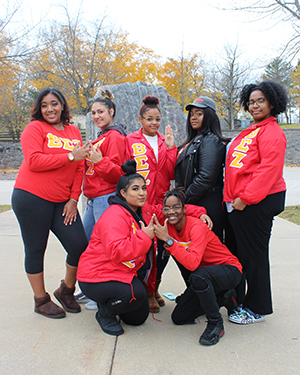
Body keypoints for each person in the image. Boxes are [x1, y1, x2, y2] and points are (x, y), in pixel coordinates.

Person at [77, 160, 209, 336]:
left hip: (121, 273)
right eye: (135, 189)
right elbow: (117, 252)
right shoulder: (114, 215)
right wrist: (144, 236)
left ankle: (112, 302)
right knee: (135, 294)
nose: (142, 193)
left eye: (144, 188)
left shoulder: (144, 210)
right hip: (97, 275)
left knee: (138, 318)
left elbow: (169, 210)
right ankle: (105, 313)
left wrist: (199, 212)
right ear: (123, 193)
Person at [11, 88, 89, 319]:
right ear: (39, 109)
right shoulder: (34, 128)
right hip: (31, 197)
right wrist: (70, 155)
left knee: (78, 245)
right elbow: (34, 161)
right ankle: (41, 300)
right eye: (44, 105)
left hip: (62, 201)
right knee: (36, 248)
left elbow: (79, 167)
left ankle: (66, 290)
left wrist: (74, 198)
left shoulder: (74, 130)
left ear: (63, 106)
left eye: (54, 104)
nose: (50, 109)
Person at [223, 81, 288, 324]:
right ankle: (240, 301)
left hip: (255, 202)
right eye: (251, 102)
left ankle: (258, 308)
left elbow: (268, 170)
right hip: (240, 202)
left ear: (272, 102)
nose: (255, 105)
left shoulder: (272, 132)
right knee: (241, 255)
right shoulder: (254, 129)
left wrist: (245, 199)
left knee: (254, 257)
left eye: (260, 100)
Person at [153, 189, 242, 346]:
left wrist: (168, 240)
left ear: (185, 209)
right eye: (166, 208)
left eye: (176, 207)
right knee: (179, 317)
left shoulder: (197, 226)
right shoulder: (170, 228)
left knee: (198, 275)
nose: (171, 212)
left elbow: (193, 263)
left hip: (228, 269)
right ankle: (223, 297)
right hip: (203, 276)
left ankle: (215, 323)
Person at [125, 95, 177, 312]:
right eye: (149, 119)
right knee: (145, 247)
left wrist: (172, 149)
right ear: (140, 119)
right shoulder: (130, 140)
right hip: (141, 203)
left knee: (163, 248)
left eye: (157, 119)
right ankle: (144, 289)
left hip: (162, 202)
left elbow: (173, 172)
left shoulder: (166, 142)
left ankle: (155, 286)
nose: (154, 123)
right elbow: (126, 171)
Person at [76, 89, 127, 309]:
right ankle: (91, 287)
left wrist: (98, 161)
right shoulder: (102, 135)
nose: (96, 116)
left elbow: (119, 174)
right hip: (94, 199)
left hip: (106, 198)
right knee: (86, 242)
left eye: (101, 112)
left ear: (111, 111)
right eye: (93, 112)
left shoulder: (115, 136)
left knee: (105, 246)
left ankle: (104, 294)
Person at [175, 96, 228, 245]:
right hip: (196, 200)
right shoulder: (194, 140)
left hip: (207, 201)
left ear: (209, 116)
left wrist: (183, 200)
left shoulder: (211, 140)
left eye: (199, 113)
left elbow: (205, 177)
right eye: (191, 114)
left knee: (208, 251)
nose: (193, 117)